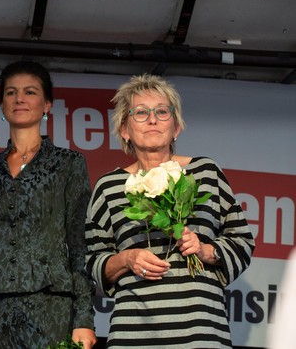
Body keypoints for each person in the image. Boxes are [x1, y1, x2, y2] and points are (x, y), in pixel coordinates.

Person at [84, 74, 255, 348]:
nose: (152, 119)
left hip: (201, 335)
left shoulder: (205, 172)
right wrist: (126, 259)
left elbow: (242, 241)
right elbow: (91, 263)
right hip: (134, 337)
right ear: (125, 129)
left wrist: (205, 250)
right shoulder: (109, 187)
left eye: (162, 112)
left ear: (175, 127)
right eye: (140, 112)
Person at [0, 61, 97, 349]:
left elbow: (79, 243)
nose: (19, 99)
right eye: (11, 93)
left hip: (51, 308)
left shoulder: (68, 164)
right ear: (2, 105)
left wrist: (83, 319)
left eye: (30, 92)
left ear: (47, 104)